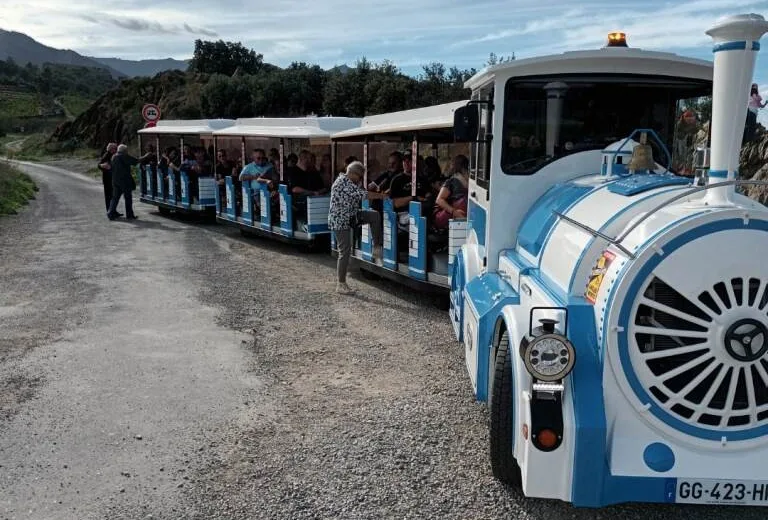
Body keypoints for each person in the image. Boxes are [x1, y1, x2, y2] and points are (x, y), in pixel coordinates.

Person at [328, 161, 388, 294]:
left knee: (375, 216)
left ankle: (377, 247)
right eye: (360, 176)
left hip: (352, 215)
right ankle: (341, 284)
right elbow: (363, 195)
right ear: (354, 173)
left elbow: (361, 192)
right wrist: (381, 196)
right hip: (340, 220)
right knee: (345, 251)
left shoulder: (350, 181)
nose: (360, 179)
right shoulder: (343, 182)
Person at [107, 144, 151, 220]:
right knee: (128, 198)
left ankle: (110, 213)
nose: (127, 152)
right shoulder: (123, 156)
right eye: (127, 151)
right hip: (124, 181)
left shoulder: (114, 157)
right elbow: (136, 161)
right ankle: (129, 215)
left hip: (115, 180)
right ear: (124, 151)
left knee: (115, 198)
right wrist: (146, 156)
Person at [98, 142, 118, 216]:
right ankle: (110, 211)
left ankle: (113, 211)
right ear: (111, 149)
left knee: (112, 196)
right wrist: (103, 166)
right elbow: (99, 165)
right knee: (109, 196)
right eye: (115, 148)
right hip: (107, 180)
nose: (116, 150)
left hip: (110, 179)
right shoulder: (107, 155)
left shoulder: (111, 155)